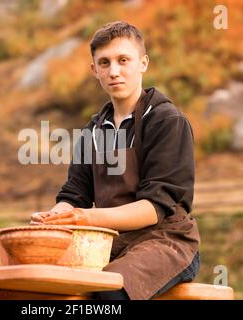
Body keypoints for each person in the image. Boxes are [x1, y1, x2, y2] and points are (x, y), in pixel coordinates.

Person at [31, 21, 200, 300]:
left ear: (143, 63)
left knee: (107, 293)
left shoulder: (167, 121)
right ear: (94, 70)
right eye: (105, 63)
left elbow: (155, 207)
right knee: (45, 288)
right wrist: (54, 218)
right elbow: (76, 195)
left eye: (123, 60)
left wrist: (86, 217)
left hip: (167, 242)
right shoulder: (94, 130)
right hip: (108, 244)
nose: (114, 71)